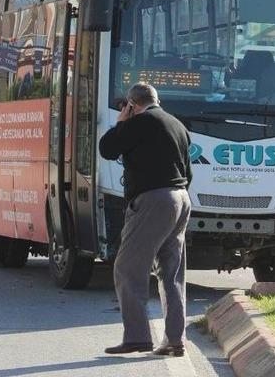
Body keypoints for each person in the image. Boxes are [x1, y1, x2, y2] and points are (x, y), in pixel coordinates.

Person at [98, 83, 193, 357]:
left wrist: (120, 123)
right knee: (172, 273)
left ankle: (138, 337)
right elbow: (188, 170)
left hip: (153, 201)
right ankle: (175, 340)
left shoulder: (139, 122)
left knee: (127, 268)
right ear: (156, 100)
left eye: (126, 107)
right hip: (181, 198)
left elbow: (107, 149)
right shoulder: (177, 125)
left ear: (132, 105)